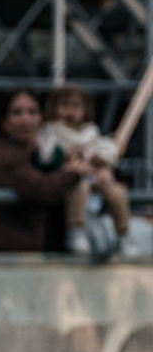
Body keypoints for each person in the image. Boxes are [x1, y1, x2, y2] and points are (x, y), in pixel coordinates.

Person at [0, 88, 80, 253]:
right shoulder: (2, 154)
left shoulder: (44, 152)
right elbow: (40, 188)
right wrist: (74, 172)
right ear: (4, 121)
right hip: (6, 258)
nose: (25, 119)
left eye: (32, 112)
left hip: (40, 255)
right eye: (16, 113)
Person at [37, 84, 137, 258]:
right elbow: (46, 155)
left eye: (75, 106)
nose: (70, 111)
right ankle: (76, 230)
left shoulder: (91, 132)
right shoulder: (51, 131)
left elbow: (107, 149)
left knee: (117, 192)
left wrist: (102, 159)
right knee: (79, 187)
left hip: (94, 176)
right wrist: (65, 157)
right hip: (72, 179)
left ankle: (124, 235)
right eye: (64, 105)